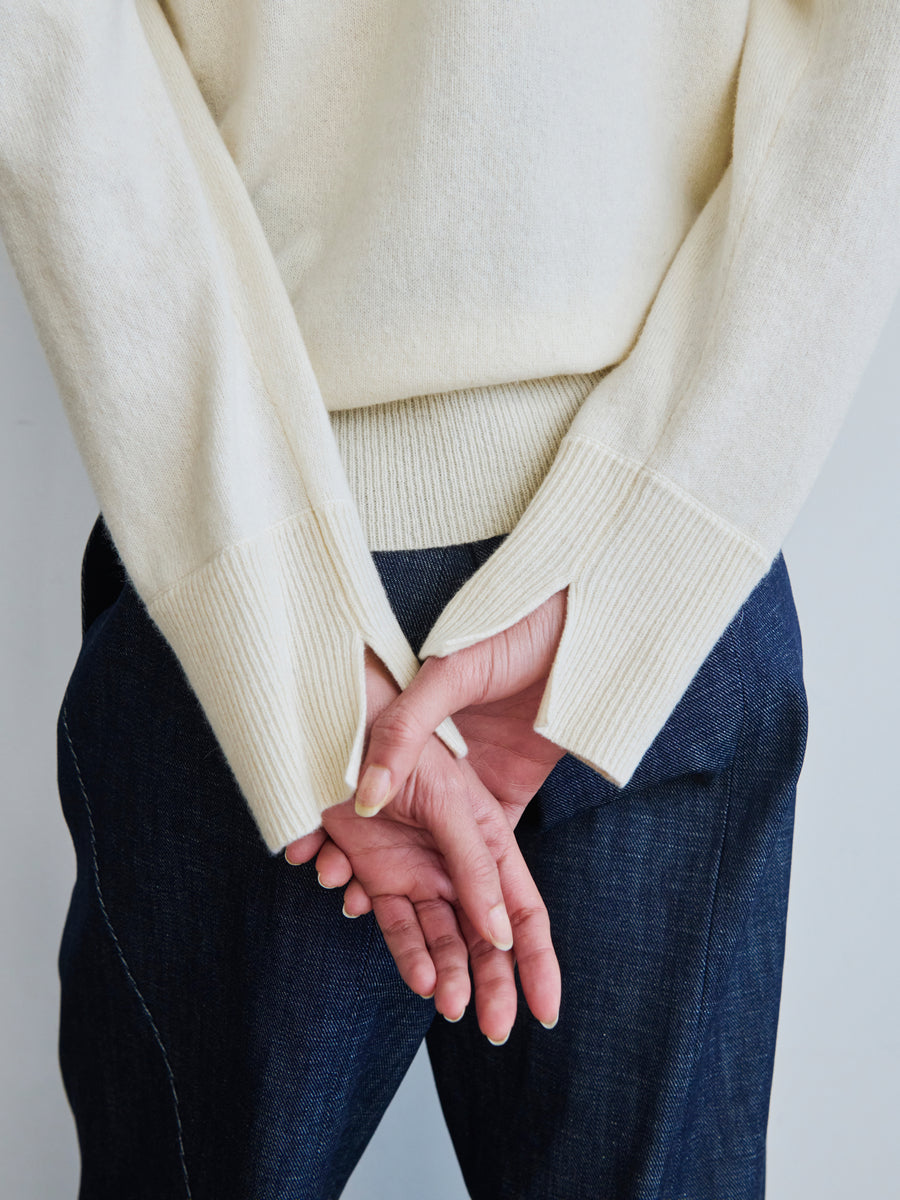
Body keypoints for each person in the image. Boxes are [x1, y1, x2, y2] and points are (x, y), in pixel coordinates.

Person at [1, 2, 897, 1197]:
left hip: (235, 597)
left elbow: (55, 53)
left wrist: (282, 627)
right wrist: (635, 566)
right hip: (652, 608)